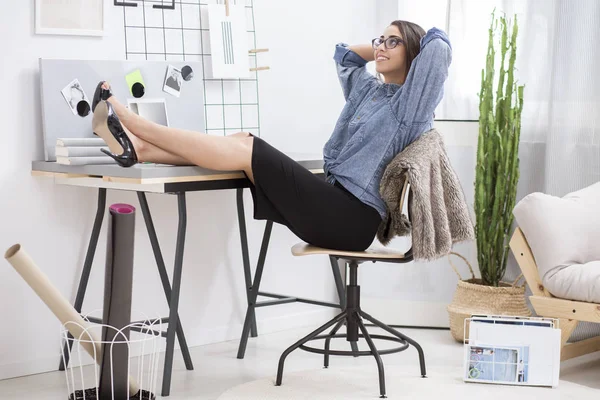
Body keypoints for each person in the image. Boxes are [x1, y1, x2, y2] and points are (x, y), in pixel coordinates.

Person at [90, 20, 452, 252]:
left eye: (393, 43)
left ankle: (138, 126)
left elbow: (438, 46)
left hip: (351, 218)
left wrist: (412, 42)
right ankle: (141, 150)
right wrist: (382, 45)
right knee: (241, 138)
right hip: (332, 201)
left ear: (414, 55)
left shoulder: (411, 108)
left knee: (249, 148)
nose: (381, 47)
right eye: (380, 40)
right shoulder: (369, 91)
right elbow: (344, 56)